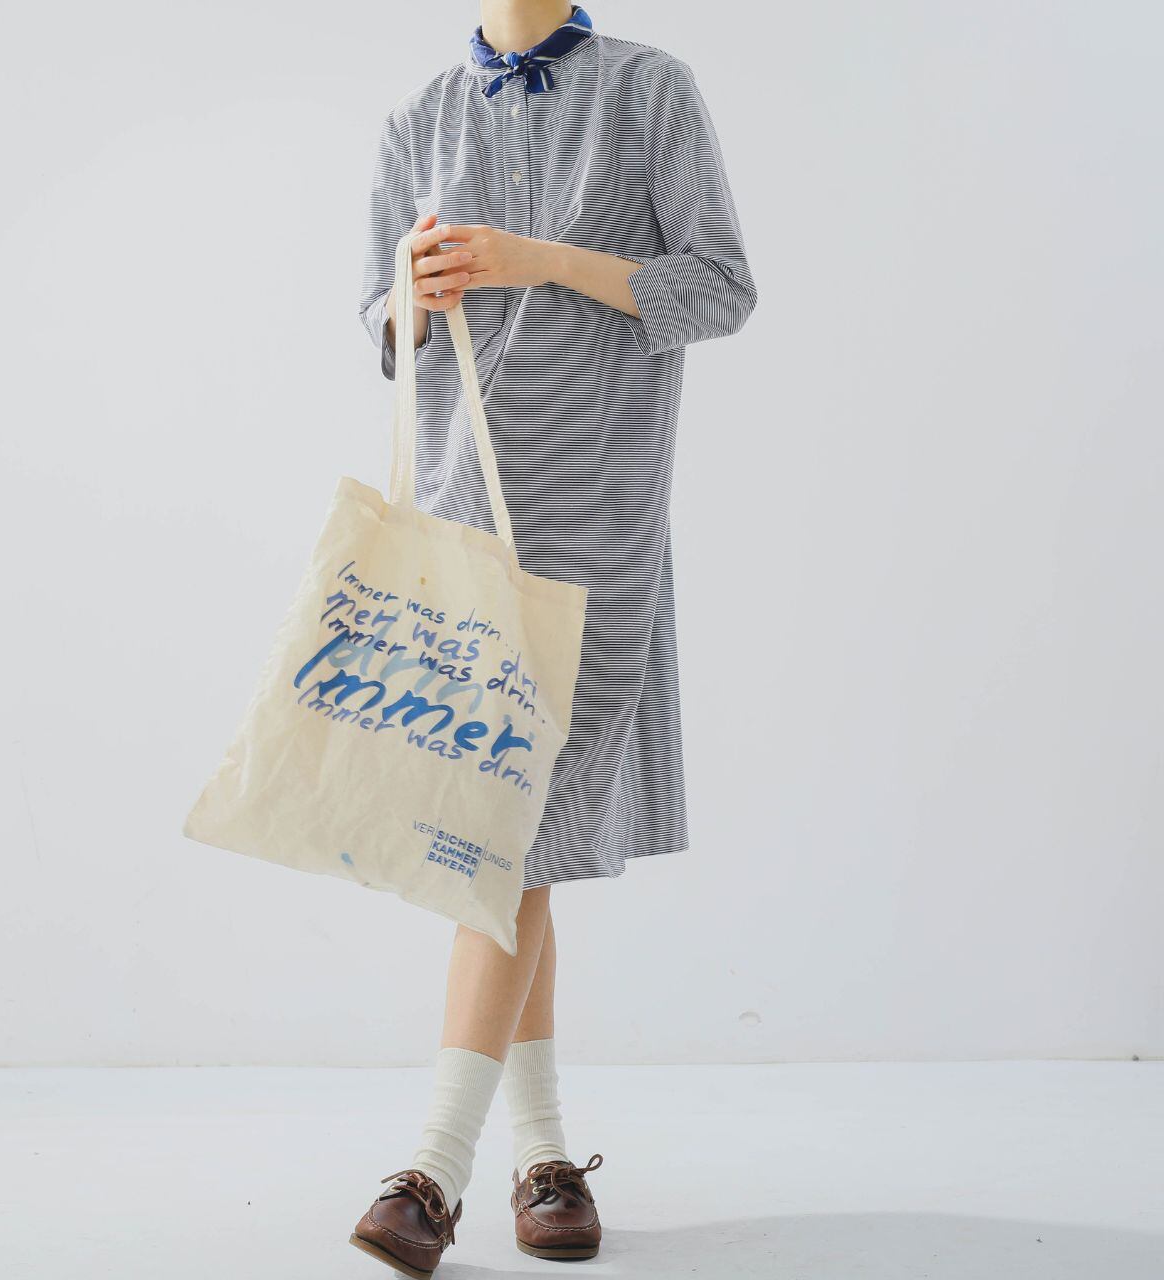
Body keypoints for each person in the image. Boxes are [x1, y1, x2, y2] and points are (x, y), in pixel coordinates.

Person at [348, 2, 757, 1273]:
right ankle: (542, 1158)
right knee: (508, 847)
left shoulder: (650, 90)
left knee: (506, 843)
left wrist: (543, 260)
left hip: (598, 526)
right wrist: (408, 300)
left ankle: (431, 1170)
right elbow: (377, 324)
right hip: (461, 529)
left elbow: (720, 286)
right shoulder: (417, 119)